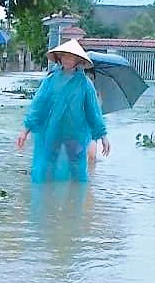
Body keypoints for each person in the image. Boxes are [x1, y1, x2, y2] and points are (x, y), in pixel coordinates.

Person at [16, 39, 110, 183]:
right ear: (59, 57)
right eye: (64, 56)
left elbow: (93, 112)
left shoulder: (85, 84)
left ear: (78, 60)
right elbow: (38, 106)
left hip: (75, 132)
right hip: (53, 129)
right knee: (48, 164)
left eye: (71, 56)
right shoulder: (50, 81)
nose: (67, 59)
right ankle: (47, 197)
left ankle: (76, 200)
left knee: (77, 167)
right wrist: (25, 130)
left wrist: (103, 136)